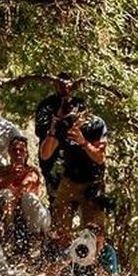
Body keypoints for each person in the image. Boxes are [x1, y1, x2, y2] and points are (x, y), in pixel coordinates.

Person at [40, 93, 109, 241]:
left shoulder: (96, 124)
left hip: (93, 181)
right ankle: (63, 258)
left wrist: (83, 142)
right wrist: (53, 129)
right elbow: (45, 155)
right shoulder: (64, 125)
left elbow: (100, 158)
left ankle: (93, 261)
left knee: (95, 229)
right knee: (60, 227)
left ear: (84, 114)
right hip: (69, 179)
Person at [0, 134, 51, 249]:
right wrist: (11, 175)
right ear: (9, 152)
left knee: (29, 198)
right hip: (7, 212)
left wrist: (16, 181)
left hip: (29, 214)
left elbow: (25, 189)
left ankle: (35, 241)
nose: (18, 153)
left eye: (21, 150)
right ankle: (8, 236)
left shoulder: (32, 171)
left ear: (26, 153)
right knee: (5, 194)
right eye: (14, 150)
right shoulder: (1, 171)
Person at [33, 73, 76, 190]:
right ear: (55, 85)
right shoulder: (46, 105)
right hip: (52, 157)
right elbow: (40, 130)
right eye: (61, 85)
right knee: (56, 197)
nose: (64, 88)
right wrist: (58, 119)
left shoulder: (78, 104)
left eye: (67, 85)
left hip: (75, 159)